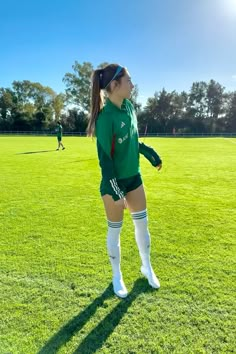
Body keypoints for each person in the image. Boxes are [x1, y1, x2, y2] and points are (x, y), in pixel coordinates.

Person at [87, 64, 162, 298]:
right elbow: (105, 163)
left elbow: (133, 141)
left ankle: (146, 267)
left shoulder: (129, 107)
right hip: (113, 184)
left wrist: (151, 154)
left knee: (143, 225)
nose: (132, 84)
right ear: (114, 85)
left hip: (134, 179)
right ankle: (116, 276)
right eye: (128, 80)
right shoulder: (105, 118)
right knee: (115, 231)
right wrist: (117, 192)